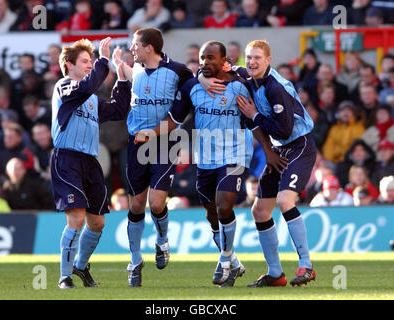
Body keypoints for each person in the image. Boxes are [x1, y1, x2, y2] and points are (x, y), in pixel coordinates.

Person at [135, 40, 266, 287]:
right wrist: (151, 133)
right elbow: (175, 119)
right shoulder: (193, 86)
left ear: (224, 60)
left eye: (211, 58)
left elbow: (254, 115)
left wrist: (268, 151)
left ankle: (225, 260)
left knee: (224, 205)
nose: (205, 62)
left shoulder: (241, 86)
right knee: (212, 214)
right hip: (205, 158)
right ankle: (234, 264)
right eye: (203, 58)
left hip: (234, 155)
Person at [222, 40, 317, 287]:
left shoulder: (276, 88)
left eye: (257, 58)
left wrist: (254, 115)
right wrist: (204, 76)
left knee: (285, 201)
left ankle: (306, 265)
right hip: (278, 149)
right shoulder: (248, 77)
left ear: (268, 60)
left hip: (299, 146)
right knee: (260, 211)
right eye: (249, 57)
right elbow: (220, 66)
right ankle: (275, 273)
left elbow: (284, 130)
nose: (252, 62)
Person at [113, 28, 193, 287]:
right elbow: (126, 73)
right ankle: (135, 261)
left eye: (135, 44)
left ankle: (162, 241)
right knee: (136, 205)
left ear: (149, 47)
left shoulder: (177, 70)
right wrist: (114, 63)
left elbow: (193, 87)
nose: (131, 48)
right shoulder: (135, 71)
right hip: (137, 143)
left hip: (165, 141)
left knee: (156, 203)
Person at [50, 37, 131, 289]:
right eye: (85, 61)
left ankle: (81, 267)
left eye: (91, 61)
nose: (89, 65)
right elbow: (86, 86)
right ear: (68, 65)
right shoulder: (64, 87)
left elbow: (119, 110)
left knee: (97, 222)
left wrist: (123, 79)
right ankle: (64, 276)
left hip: (90, 162)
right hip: (67, 160)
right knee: (76, 217)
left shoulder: (92, 99)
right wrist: (104, 60)